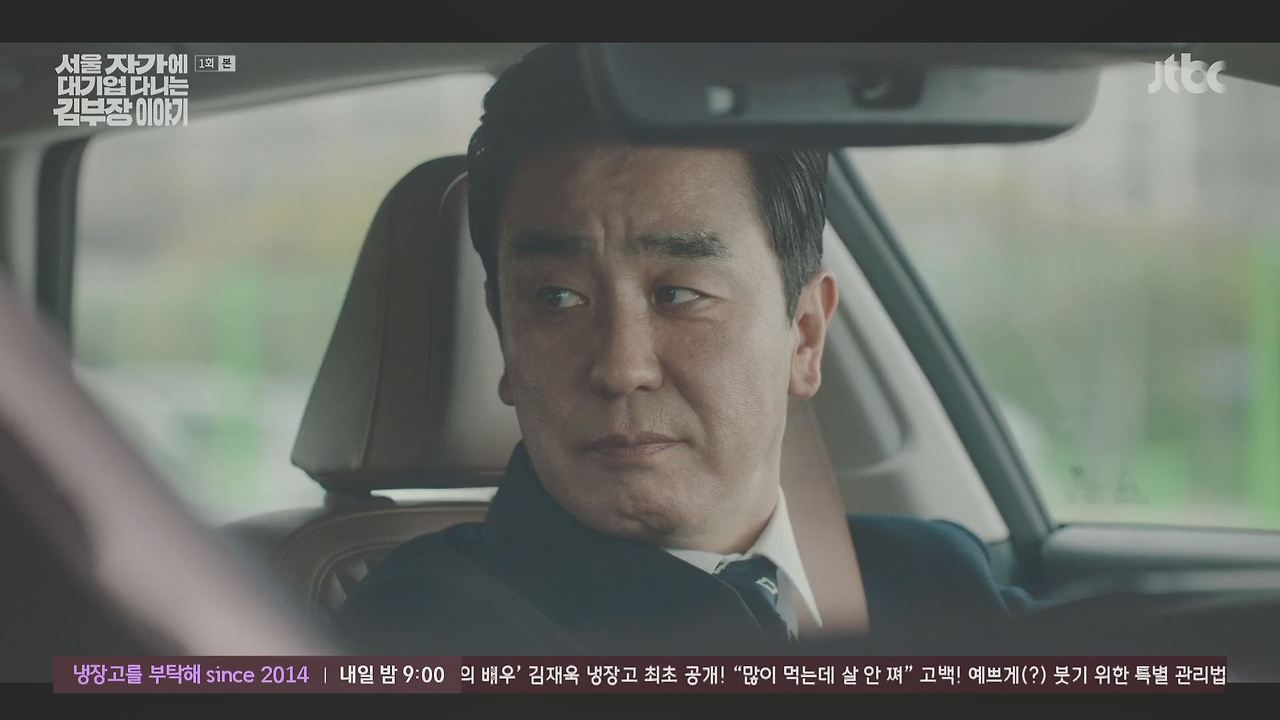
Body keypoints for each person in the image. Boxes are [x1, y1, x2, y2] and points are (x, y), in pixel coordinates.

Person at [332, 43, 1034, 656]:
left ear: (805, 335)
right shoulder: (429, 631)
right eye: (557, 299)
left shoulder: (935, 579)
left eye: (678, 294)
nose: (621, 368)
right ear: (505, 337)